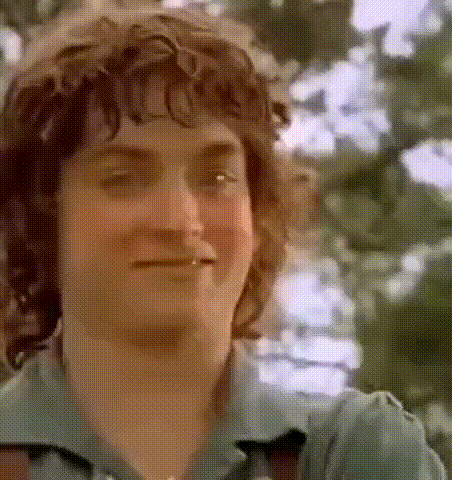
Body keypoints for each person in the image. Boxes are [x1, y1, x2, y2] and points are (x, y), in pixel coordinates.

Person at [0, 3, 447, 480]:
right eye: (123, 178)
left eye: (216, 177)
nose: (180, 221)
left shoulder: (356, 453)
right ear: (41, 216)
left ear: (257, 211)